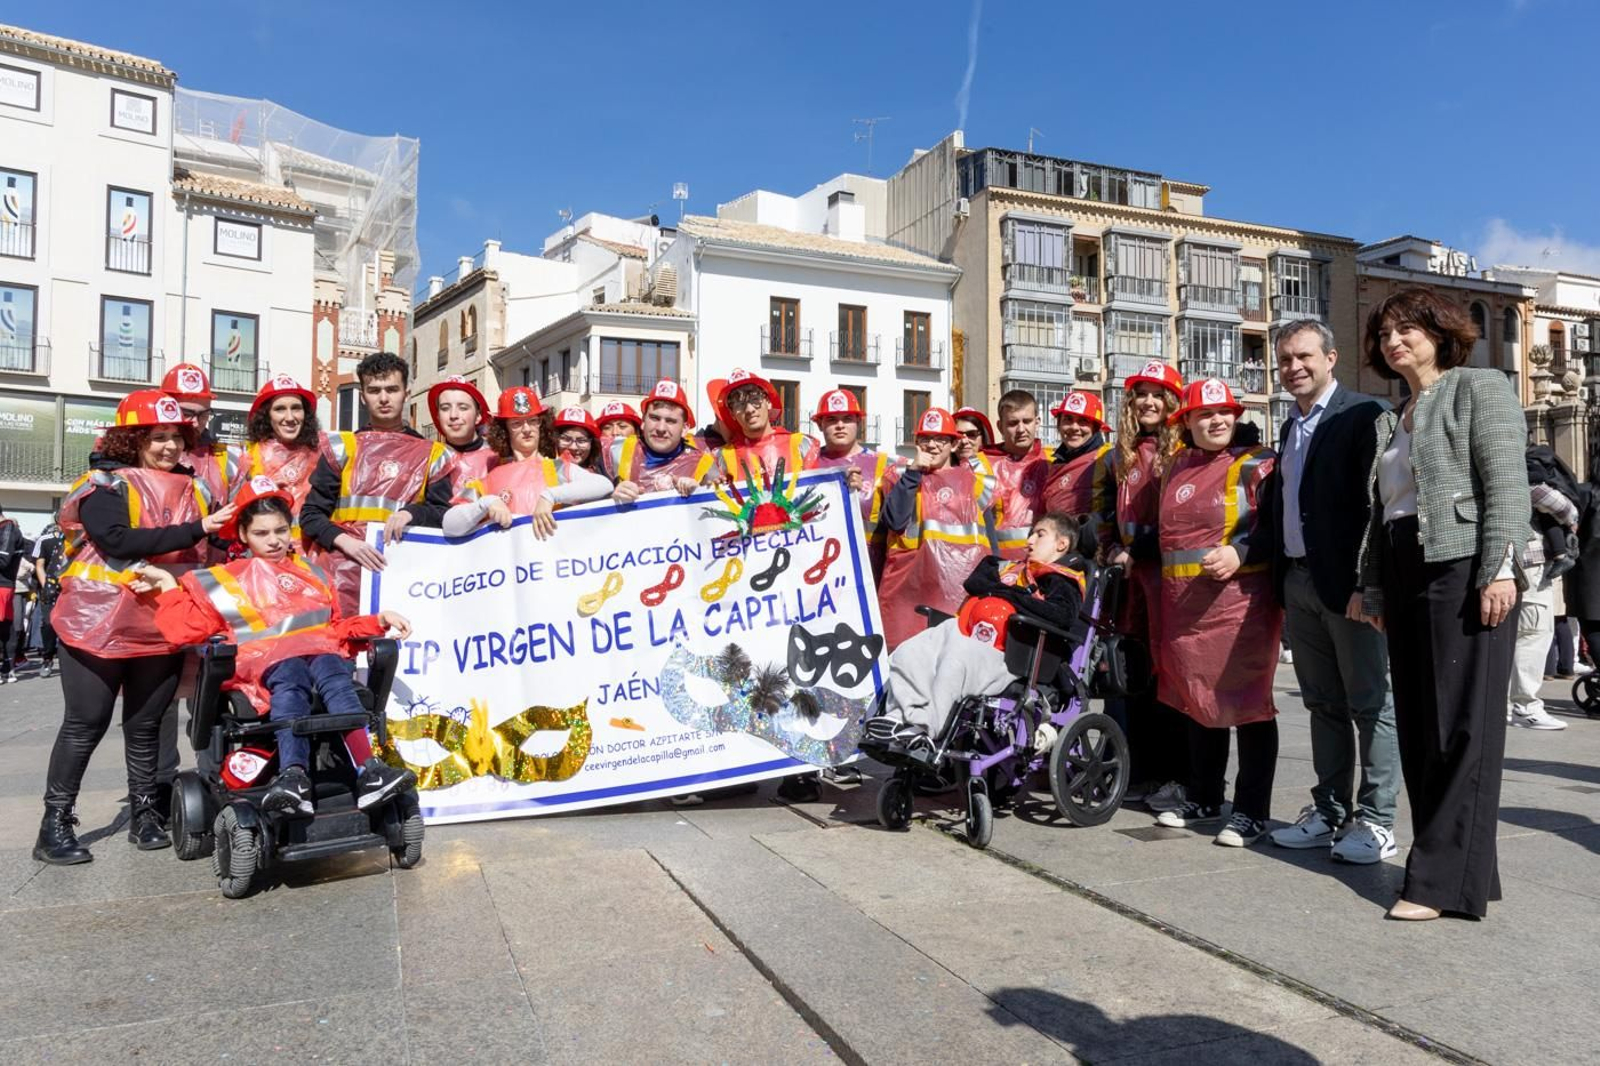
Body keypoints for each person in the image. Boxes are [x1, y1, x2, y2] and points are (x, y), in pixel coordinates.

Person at [1355, 287, 1530, 921]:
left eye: (1407, 328)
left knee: (1462, 723)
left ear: (1439, 332)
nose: (1393, 341)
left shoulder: (1478, 388)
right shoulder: (1392, 416)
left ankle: (1436, 883)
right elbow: (1384, 513)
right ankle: (1465, 870)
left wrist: (1501, 569)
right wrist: (1375, 586)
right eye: (1384, 334)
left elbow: (1506, 483)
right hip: (1406, 565)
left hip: (1462, 564)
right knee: (1421, 724)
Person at [33, 391, 238, 864]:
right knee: (85, 723)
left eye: (176, 436)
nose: (170, 446)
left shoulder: (196, 489)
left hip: (159, 623)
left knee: (146, 725)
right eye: (157, 436)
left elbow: (212, 549)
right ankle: (54, 825)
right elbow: (117, 540)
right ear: (132, 439)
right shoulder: (103, 484)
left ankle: (146, 814)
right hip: (96, 623)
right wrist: (200, 528)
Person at [139, 479, 417, 815]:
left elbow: (332, 630)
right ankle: (293, 776)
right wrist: (168, 585)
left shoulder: (314, 574)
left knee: (334, 672)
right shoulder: (223, 580)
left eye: (281, 530)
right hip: (268, 667)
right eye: (262, 533)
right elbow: (183, 631)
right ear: (243, 535)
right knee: (292, 673)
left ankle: (370, 771)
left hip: (319, 656)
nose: (274, 540)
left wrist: (378, 621)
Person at [1263, 320, 1400, 864]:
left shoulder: (1362, 415)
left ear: (1331, 358)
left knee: (1370, 702)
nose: (1293, 367)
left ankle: (1377, 820)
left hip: (1348, 589)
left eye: (1304, 356)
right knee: (1322, 703)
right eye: (1285, 360)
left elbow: (1378, 506)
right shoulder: (1291, 426)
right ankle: (1329, 812)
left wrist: (1368, 584)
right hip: (1299, 582)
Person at [1151, 379, 1281, 848]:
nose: (1217, 421)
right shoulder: (1176, 466)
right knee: (1199, 699)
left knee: (1249, 705)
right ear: (1186, 421)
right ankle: (1204, 796)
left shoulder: (1259, 463)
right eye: (1205, 414)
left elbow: (1278, 527)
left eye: (1224, 412)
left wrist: (1241, 552)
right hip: (1186, 607)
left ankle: (1251, 811)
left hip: (1241, 605)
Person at [873, 513, 1085, 747]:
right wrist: (1014, 594)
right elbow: (975, 582)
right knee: (909, 652)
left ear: (1061, 544)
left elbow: (1061, 615)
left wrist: (1005, 594)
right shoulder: (1006, 567)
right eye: (1031, 534)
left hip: (1011, 654)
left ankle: (925, 730)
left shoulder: (1062, 580)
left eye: (1039, 535)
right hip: (964, 630)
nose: (1029, 541)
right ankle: (897, 719)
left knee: (955, 661)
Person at [300, 352, 454, 617]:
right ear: (363, 396)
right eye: (374, 390)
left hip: (406, 576)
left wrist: (412, 513)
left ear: (406, 393)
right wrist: (346, 542)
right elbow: (311, 515)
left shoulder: (433, 454)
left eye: (392, 389)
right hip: (343, 577)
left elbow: (444, 515)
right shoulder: (341, 448)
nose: (383, 398)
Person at [1101, 361, 1190, 812]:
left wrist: (1139, 550)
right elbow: (1110, 514)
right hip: (1131, 581)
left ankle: (1175, 774)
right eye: (1142, 395)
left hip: (1165, 577)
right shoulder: (1124, 454)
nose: (1149, 402)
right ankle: (1140, 770)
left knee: (1167, 678)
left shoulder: (1183, 451)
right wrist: (1110, 548)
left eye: (1159, 395)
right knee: (1134, 676)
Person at [876, 407, 1000, 650]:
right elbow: (895, 521)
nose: (932, 445)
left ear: (953, 445)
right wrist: (913, 474)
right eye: (926, 439)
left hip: (958, 595)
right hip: (908, 593)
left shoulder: (974, 482)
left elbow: (990, 541)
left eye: (940, 439)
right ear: (917, 443)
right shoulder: (901, 476)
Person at [442, 386, 614, 536]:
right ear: (504, 430)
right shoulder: (490, 477)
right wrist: (484, 504)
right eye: (517, 423)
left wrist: (551, 496)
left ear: (541, 425)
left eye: (533, 421)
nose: (527, 429)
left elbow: (604, 485)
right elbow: (450, 525)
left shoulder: (558, 468)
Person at [1506, 445, 1579, 731]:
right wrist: (1571, 516)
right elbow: (1563, 507)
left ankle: (1506, 704)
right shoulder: (1523, 473)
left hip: (1507, 563)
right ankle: (1524, 705)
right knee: (1532, 633)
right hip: (1529, 563)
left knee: (1515, 635)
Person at [231, 373, 327, 543]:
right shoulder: (248, 456)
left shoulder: (324, 452)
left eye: (296, 408)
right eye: (280, 409)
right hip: (269, 549)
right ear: (266, 415)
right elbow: (235, 513)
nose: (290, 418)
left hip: (315, 548)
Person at [705, 368, 820, 484]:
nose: (749, 409)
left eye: (755, 400)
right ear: (732, 414)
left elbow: (819, 489)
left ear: (768, 402)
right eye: (740, 404)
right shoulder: (719, 458)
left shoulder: (802, 446)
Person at [811, 388, 895, 536]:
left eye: (847, 419)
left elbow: (897, 522)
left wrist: (861, 494)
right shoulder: (807, 463)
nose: (840, 425)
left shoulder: (884, 465)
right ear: (819, 424)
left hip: (870, 551)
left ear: (858, 422)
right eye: (832, 419)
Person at [607, 380, 711, 499]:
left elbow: (721, 505)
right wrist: (611, 496)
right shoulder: (614, 451)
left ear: (684, 429)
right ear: (643, 421)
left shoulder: (704, 464)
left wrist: (700, 494)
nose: (661, 428)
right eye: (654, 418)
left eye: (670, 421)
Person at [1041, 391, 1116, 552]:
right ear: (1058, 425)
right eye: (1068, 419)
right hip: (1059, 553)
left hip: (1097, 556)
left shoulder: (1108, 458)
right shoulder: (1055, 465)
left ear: (1095, 427)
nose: (1074, 427)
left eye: (1083, 421)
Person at [982, 390, 1053, 559]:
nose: (1021, 429)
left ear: (1037, 422)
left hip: (1044, 561)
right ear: (1000, 426)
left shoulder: (1053, 462)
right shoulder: (981, 464)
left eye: (1027, 421)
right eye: (1013, 423)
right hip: (997, 563)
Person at [161, 362, 237, 509]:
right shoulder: (144, 452)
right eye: (186, 413)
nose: (195, 423)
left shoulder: (226, 458)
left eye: (203, 415)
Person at [428, 375, 497, 488]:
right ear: (438, 417)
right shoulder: (428, 461)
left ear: (478, 416)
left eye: (463, 408)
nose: (453, 415)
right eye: (445, 408)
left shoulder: (497, 458)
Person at [30, 517, 63, 679]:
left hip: (70, 589)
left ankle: (68, 660)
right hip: (49, 589)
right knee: (49, 623)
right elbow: (39, 565)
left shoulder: (79, 540)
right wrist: (47, 587)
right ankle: (47, 658)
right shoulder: (45, 540)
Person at [0, 505, 22, 684]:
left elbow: (3, 560)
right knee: (6, 629)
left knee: (5, 628)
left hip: (2, 585)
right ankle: (7, 668)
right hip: (5, 585)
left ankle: (7, 668)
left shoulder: (7, 528)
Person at [552, 406, 606, 475]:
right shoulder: (543, 473)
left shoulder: (600, 477)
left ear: (592, 444)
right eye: (566, 439)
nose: (573, 447)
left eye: (581, 441)